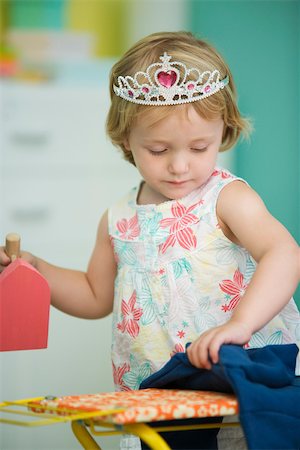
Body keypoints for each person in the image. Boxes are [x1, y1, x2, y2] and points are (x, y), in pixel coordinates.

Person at [1, 31, 299, 449]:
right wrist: (37, 269)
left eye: (199, 147)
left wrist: (239, 325)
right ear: (127, 140)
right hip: (155, 400)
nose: (180, 166)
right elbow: (93, 294)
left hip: (235, 392)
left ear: (223, 129)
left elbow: (283, 252)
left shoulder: (227, 200)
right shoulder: (118, 218)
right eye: (158, 149)